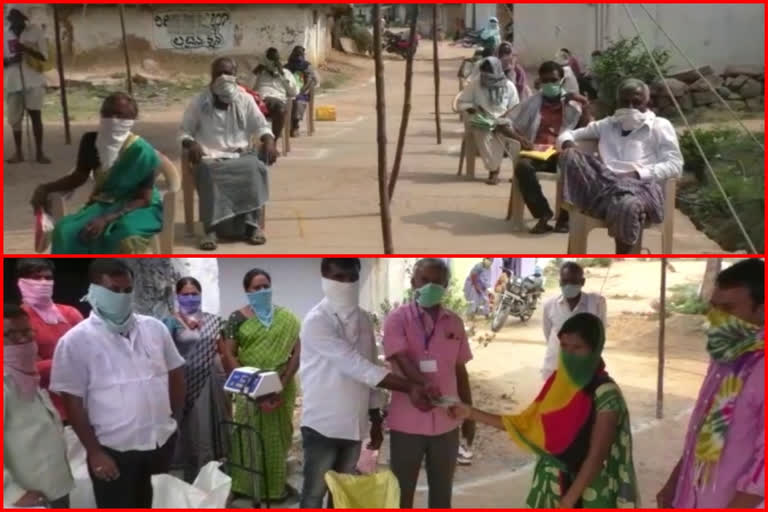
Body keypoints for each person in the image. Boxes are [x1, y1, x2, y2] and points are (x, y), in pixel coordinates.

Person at [450, 313, 639, 507]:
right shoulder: (558, 384)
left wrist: (568, 501)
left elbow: (596, 455)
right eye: (564, 346)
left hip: (586, 492)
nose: (568, 354)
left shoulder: (605, 393)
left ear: (595, 349)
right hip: (550, 486)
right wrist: (470, 413)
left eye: (577, 348)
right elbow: (525, 425)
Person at [299, 258, 435, 508]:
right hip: (321, 425)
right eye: (339, 278)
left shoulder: (363, 318)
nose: (347, 283)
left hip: (354, 425)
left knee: (344, 495)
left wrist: (375, 418)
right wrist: (410, 387)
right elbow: (358, 367)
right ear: (324, 278)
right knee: (313, 494)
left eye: (352, 278)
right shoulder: (316, 321)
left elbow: (371, 362)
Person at [50, 259, 186, 508]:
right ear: (94, 290)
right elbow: (73, 403)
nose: (122, 297)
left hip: (160, 443)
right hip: (113, 451)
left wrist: (174, 421)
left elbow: (175, 375)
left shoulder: (154, 329)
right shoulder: (75, 342)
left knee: (159, 503)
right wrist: (94, 452)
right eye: (114, 290)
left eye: (127, 290)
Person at [657, 259, 764, 509]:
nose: (716, 317)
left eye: (728, 308)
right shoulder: (725, 356)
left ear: (762, 309)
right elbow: (702, 432)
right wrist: (676, 481)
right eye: (713, 307)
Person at [382, 258, 474, 507]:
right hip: (407, 422)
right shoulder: (397, 320)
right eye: (425, 280)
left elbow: (460, 369)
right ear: (413, 282)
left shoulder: (454, 322)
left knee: (442, 492)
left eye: (438, 281)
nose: (431, 286)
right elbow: (399, 358)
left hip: (448, 420)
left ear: (446, 285)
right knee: (401, 492)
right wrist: (423, 383)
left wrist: (470, 414)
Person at [558, 78, 683, 253]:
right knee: (570, 156)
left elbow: (675, 165)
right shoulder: (607, 125)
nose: (630, 107)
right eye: (625, 102)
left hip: (642, 187)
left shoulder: (660, 126)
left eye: (636, 102)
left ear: (647, 102)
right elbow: (566, 134)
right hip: (605, 184)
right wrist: (568, 144)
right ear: (618, 103)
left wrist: (638, 174)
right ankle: (601, 204)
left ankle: (623, 257)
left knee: (627, 206)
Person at [31, 93, 165, 254]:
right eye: (107, 114)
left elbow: (144, 198)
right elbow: (79, 176)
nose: (113, 120)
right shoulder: (90, 141)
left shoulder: (142, 151)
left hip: (137, 206)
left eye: (119, 115)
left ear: (132, 118)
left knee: (125, 234)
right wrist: (46, 188)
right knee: (64, 231)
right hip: (104, 202)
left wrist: (107, 219)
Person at [220, 268, 301, 503]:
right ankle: (245, 486)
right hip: (249, 387)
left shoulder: (286, 318)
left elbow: (296, 353)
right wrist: (253, 385)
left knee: (279, 436)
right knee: (248, 435)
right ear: (247, 291)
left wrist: (280, 384)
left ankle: (274, 488)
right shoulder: (237, 319)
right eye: (257, 287)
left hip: (281, 387)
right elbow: (229, 354)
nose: (262, 291)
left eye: (266, 286)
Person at [180, 57, 278, 250]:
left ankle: (252, 226)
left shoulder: (245, 99)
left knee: (255, 168)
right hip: (209, 156)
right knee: (208, 171)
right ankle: (210, 229)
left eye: (228, 74)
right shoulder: (199, 101)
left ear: (235, 76)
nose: (224, 78)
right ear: (212, 76)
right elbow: (184, 131)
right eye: (219, 74)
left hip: (240, 155)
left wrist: (269, 140)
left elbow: (260, 126)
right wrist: (191, 144)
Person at [500, 61, 591, 234]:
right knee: (522, 166)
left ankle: (564, 218)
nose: (550, 85)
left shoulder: (573, 103)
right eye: (545, 81)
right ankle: (543, 214)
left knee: (574, 165)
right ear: (540, 82)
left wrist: (585, 106)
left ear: (562, 80)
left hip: (562, 153)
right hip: (538, 153)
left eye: (554, 80)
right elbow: (503, 123)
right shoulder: (533, 102)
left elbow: (585, 130)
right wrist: (520, 139)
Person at [4, 304, 73, 508]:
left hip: (53, 487)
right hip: (27, 497)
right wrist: (13, 493)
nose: (22, 339)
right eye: (9, 334)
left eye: (26, 331)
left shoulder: (26, 375)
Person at [162, 277, 224, 483]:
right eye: (185, 294)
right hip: (186, 384)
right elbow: (164, 355)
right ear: (177, 296)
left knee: (212, 428)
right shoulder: (169, 322)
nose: (190, 297)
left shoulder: (213, 320)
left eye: (194, 293)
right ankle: (189, 480)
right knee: (192, 431)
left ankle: (212, 477)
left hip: (212, 383)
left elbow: (222, 350)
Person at [15, 258, 83, 422]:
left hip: (83, 403)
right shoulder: (16, 321)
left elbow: (91, 353)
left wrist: (49, 362)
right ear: (21, 282)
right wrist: (69, 360)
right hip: (45, 410)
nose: (43, 283)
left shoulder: (69, 313)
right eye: (36, 278)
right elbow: (22, 368)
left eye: (48, 278)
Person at [457, 56, 520, 185]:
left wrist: (504, 116)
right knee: (483, 132)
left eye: (489, 71)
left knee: (507, 133)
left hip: (503, 120)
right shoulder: (475, 84)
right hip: (482, 120)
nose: (486, 75)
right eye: (484, 71)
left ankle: (511, 171)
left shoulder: (508, 86)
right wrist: (472, 110)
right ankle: (494, 170)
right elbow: (462, 102)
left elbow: (515, 106)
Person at [541, 261, 606, 380]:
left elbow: (600, 336)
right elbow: (548, 333)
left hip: (583, 369)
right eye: (565, 281)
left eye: (574, 281)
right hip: (554, 368)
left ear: (582, 282)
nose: (569, 285)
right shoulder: (549, 305)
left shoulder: (596, 303)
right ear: (560, 282)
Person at [4, 7, 50, 164]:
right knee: (15, 119)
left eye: (20, 19)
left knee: (35, 115)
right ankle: (18, 153)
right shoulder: (3, 34)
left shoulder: (36, 31)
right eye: (13, 19)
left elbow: (44, 56)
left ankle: (39, 153)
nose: (17, 23)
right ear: (9, 19)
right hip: (12, 81)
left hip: (33, 80)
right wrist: (10, 61)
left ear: (24, 19)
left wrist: (26, 49)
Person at [253, 48, 299, 142]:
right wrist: (256, 72)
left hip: (277, 101)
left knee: (279, 108)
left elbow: (294, 92)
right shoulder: (259, 73)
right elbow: (247, 88)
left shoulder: (286, 73)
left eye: (275, 60)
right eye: (270, 60)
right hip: (260, 101)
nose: (272, 63)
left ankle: (273, 142)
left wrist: (282, 75)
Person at [285, 46, 319, 138]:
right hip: (288, 91)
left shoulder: (307, 66)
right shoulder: (287, 67)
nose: (298, 57)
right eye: (296, 55)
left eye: (300, 55)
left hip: (302, 92)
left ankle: (295, 126)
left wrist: (302, 90)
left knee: (297, 102)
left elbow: (314, 80)